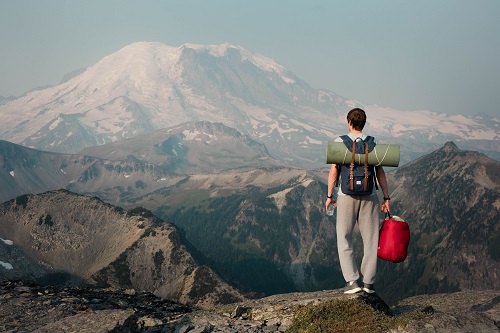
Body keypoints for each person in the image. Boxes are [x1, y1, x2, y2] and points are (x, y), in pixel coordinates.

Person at [325, 108, 390, 294]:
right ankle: (368, 283)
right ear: (364, 123)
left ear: (349, 122)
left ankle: (352, 282)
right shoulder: (372, 143)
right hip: (370, 197)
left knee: (344, 237)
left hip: (346, 197)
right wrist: (386, 198)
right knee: (371, 239)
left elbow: (334, 171)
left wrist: (330, 196)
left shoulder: (339, 142)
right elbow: (380, 172)